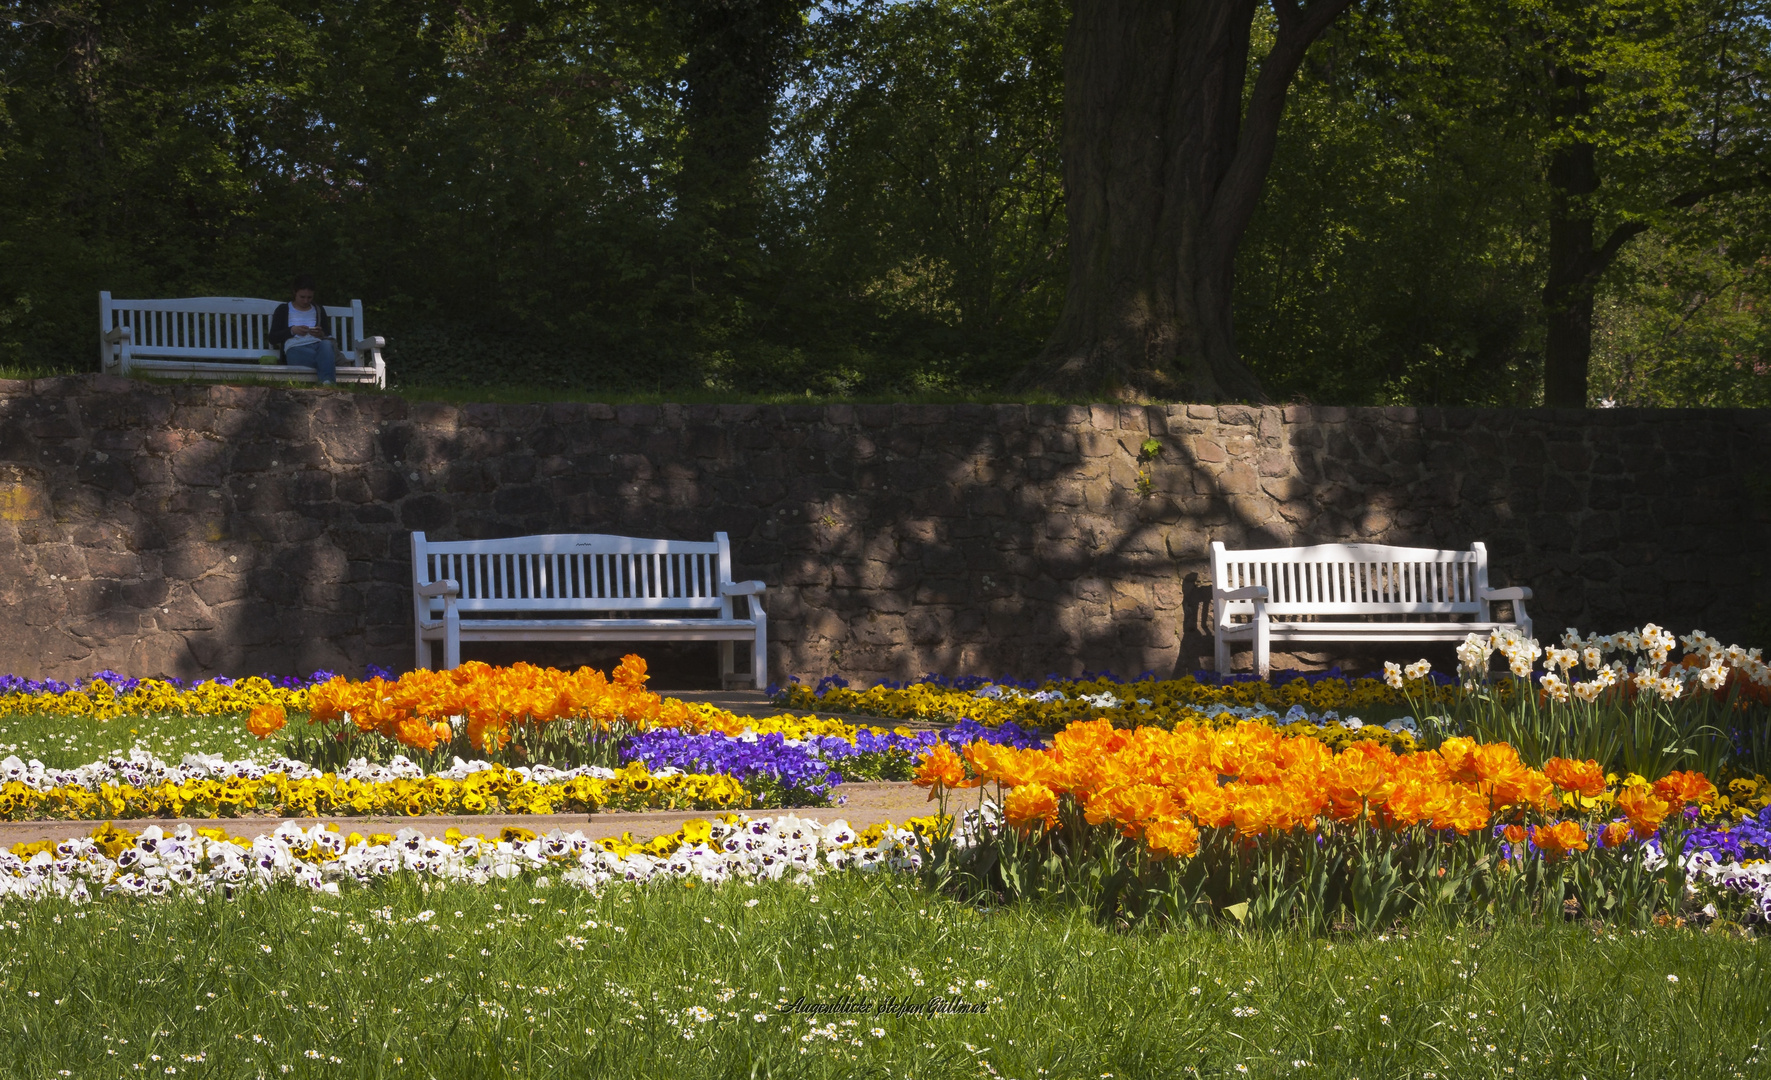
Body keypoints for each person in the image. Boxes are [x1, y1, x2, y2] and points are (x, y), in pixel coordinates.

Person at [267, 274, 338, 385]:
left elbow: (327, 334)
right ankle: (327, 380)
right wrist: (292, 331)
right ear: (295, 293)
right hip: (296, 348)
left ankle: (327, 383)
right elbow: (272, 338)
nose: (306, 301)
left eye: (309, 297)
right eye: (302, 297)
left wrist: (320, 333)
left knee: (327, 345)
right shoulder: (283, 309)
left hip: (318, 346)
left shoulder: (318, 310)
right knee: (325, 357)